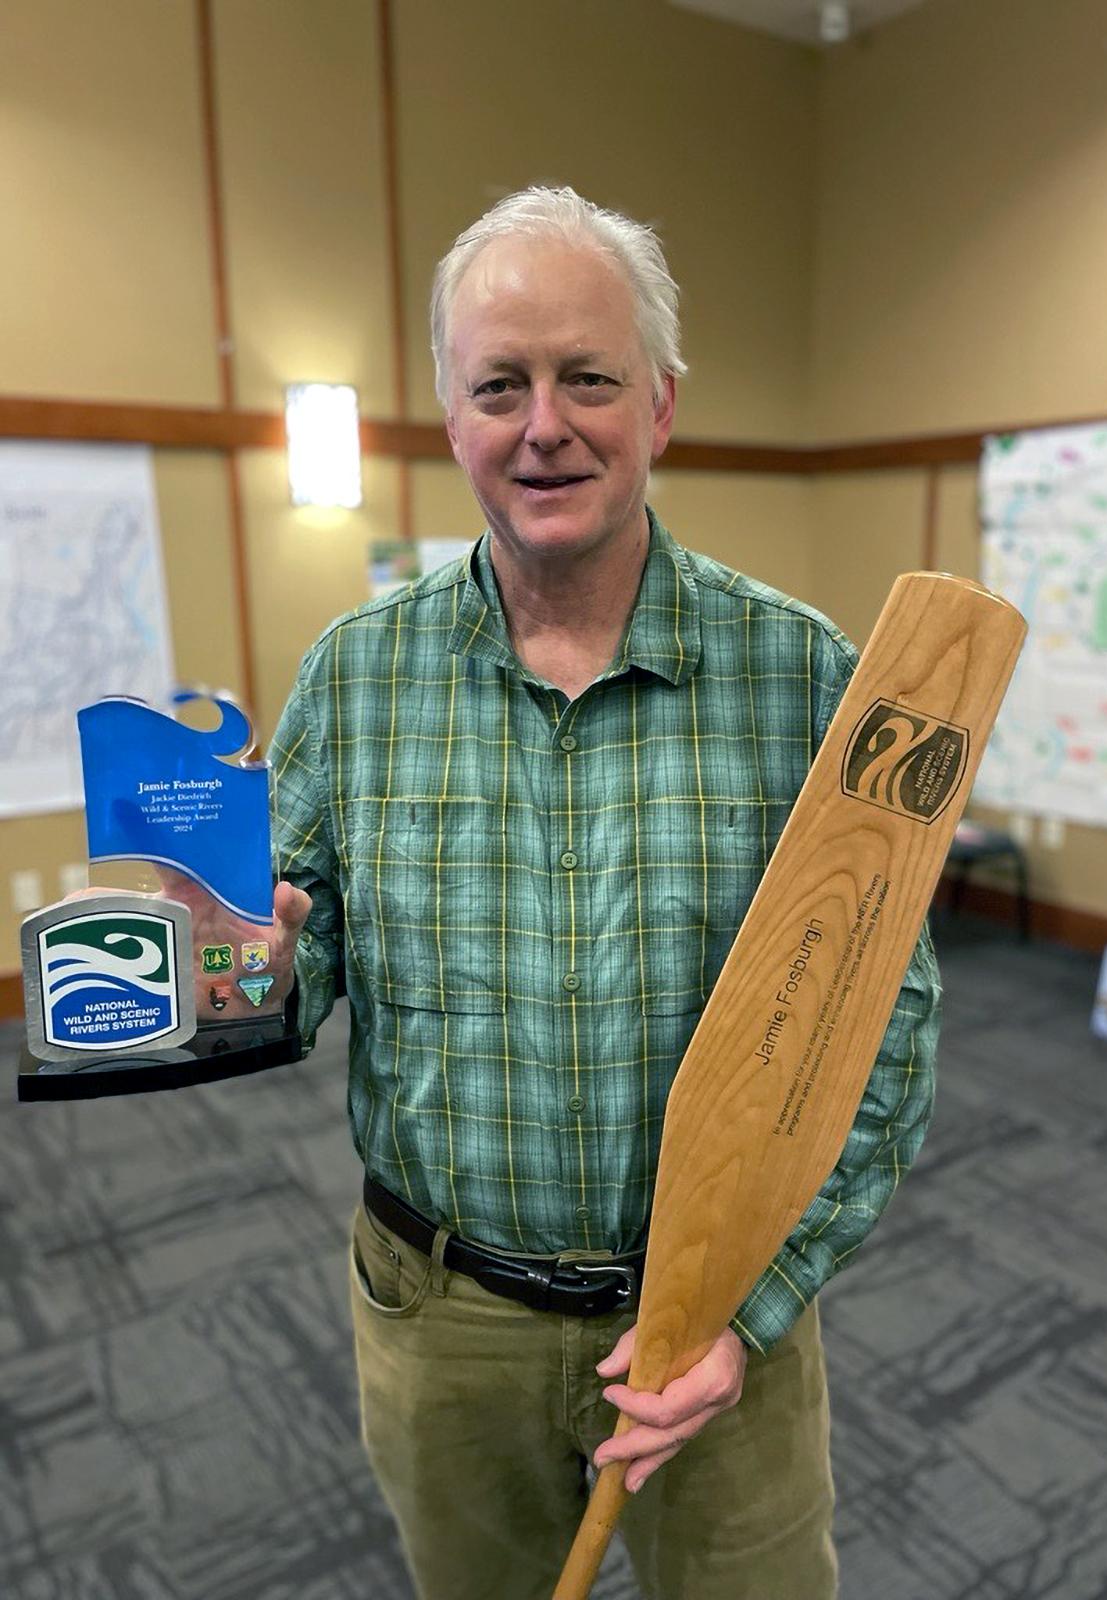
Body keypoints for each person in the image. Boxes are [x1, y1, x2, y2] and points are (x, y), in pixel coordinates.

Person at [260, 186, 941, 1600]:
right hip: (444, 1320)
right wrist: (247, 968)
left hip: (715, 1315)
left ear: (664, 406)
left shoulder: (807, 679)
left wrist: (746, 1317)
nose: (543, 424)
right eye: (499, 385)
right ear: (451, 420)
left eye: (588, 378)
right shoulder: (354, 678)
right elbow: (300, 980)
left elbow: (885, 1036)